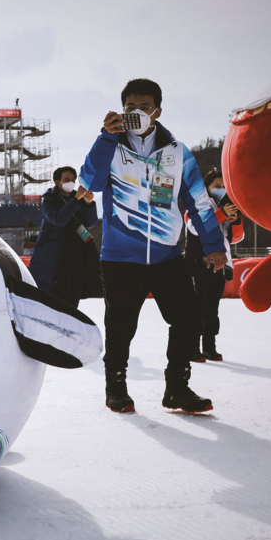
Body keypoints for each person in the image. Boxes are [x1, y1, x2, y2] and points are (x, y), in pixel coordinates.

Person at [78, 78, 228, 414]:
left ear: (157, 111)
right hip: (120, 257)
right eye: (130, 107)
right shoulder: (111, 147)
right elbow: (89, 182)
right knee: (120, 326)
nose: (137, 114)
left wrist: (213, 245)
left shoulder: (177, 153)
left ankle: (177, 388)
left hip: (166, 256)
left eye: (144, 108)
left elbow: (200, 203)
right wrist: (106, 137)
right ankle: (116, 387)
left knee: (188, 319)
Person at [185, 170, 244, 362]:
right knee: (196, 307)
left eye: (224, 187)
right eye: (217, 186)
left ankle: (209, 347)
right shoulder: (196, 203)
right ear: (207, 187)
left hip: (219, 264)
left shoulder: (225, 204)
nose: (221, 190)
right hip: (198, 263)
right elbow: (195, 227)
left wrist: (236, 221)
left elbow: (235, 239)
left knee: (212, 308)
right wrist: (221, 214)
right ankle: (192, 348)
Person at [28, 166, 101, 307]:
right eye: (66, 179)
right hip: (54, 258)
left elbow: (91, 222)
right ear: (57, 182)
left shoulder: (77, 199)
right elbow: (59, 219)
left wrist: (89, 203)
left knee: (72, 298)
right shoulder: (49, 200)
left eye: (73, 180)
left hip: (76, 258)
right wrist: (77, 199)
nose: (71, 183)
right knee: (53, 297)